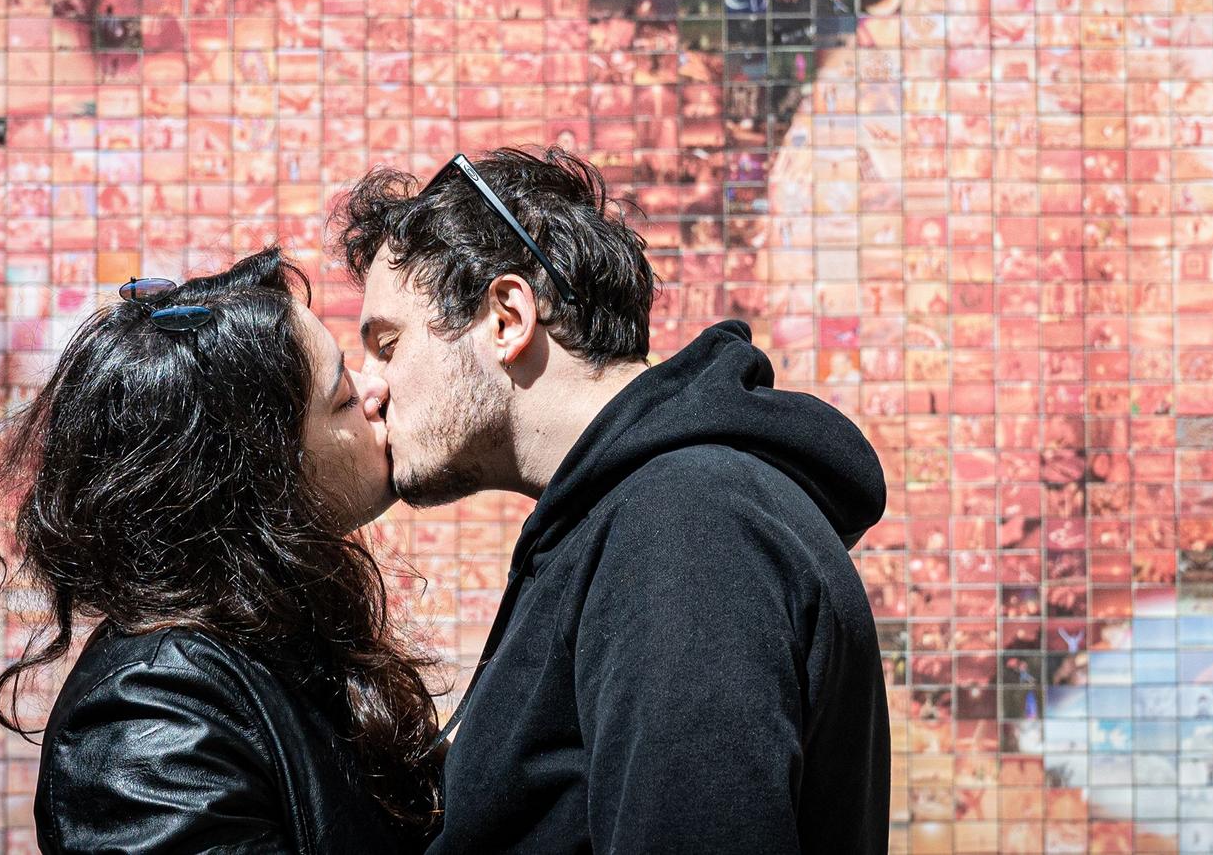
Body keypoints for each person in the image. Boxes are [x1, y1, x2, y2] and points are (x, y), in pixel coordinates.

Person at [334, 147, 891, 854]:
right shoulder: (632, 517)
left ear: (507, 317)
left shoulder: (689, 525)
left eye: (387, 342)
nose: (370, 385)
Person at [0, 248, 441, 852]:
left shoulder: (273, 644)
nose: (378, 391)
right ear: (258, 471)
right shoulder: (154, 719)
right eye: (343, 396)